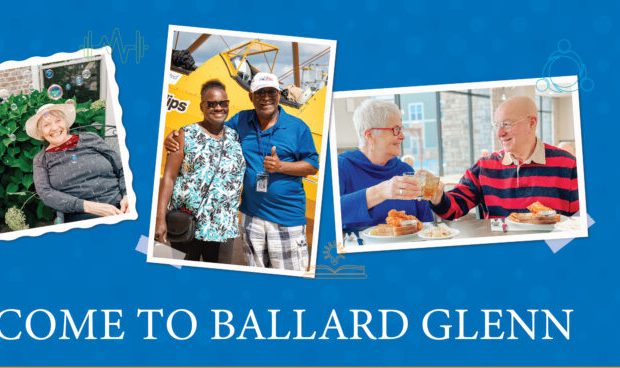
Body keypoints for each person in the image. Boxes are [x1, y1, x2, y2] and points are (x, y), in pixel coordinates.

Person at [165, 72, 318, 271]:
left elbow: (313, 165)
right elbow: (210, 129)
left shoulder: (298, 128)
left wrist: (282, 167)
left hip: (286, 219)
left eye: (271, 92)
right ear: (251, 97)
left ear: (279, 95)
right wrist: (178, 134)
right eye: (259, 93)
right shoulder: (241, 120)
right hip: (249, 218)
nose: (265, 98)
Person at [426, 96, 579, 219]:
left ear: (531, 123)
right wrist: (437, 196)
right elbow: (453, 209)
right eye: (497, 125)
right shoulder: (484, 167)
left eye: (507, 124)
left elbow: (585, 221)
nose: (499, 134)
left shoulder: (569, 165)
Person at [154, 80, 246, 263]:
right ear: (202, 106)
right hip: (187, 224)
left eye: (223, 103)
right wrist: (160, 219)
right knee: (182, 274)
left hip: (222, 228)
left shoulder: (235, 137)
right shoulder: (185, 134)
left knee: (216, 281)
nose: (218, 108)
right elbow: (169, 178)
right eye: (211, 104)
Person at [338, 100, 433, 231]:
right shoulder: (342, 167)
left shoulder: (405, 170)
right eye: (395, 130)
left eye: (401, 129)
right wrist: (380, 191)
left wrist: (436, 194)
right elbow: (329, 213)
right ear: (370, 136)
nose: (402, 136)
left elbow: (426, 224)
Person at [27, 102, 128, 222]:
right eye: (47, 125)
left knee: (142, 237)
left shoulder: (90, 138)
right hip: (82, 216)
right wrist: (90, 207)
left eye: (58, 120)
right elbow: (45, 193)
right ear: (41, 133)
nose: (54, 128)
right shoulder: (41, 160)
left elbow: (122, 168)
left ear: (66, 122)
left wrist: (128, 196)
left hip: (122, 207)